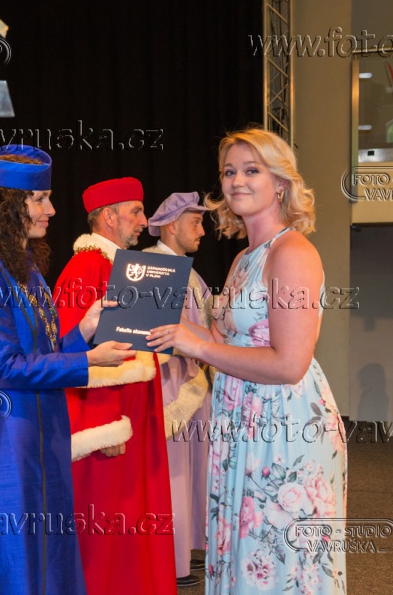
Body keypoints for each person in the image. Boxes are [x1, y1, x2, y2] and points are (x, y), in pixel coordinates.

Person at [150, 128, 347, 593]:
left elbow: (289, 363)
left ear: (280, 183)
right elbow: (222, 340)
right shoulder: (244, 258)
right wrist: (162, 328)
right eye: (229, 171)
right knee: (245, 553)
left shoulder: (292, 252)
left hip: (285, 426)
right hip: (241, 418)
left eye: (251, 170)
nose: (237, 180)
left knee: (278, 561)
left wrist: (198, 346)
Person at [0, 145, 132, 595]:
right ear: (8, 205)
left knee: (50, 558)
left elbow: (45, 352)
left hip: (46, 435)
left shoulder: (25, 266)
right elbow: (5, 368)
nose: (52, 210)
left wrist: (84, 330)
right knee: (20, 562)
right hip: (12, 441)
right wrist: (88, 361)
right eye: (40, 199)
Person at [53, 177, 177, 595]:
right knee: (109, 533)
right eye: (136, 212)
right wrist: (102, 427)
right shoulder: (88, 267)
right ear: (108, 216)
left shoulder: (122, 267)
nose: (145, 221)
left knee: (131, 526)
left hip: (131, 418)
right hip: (109, 430)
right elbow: (72, 354)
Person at [143, 191, 212, 589]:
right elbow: (154, 337)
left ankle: (184, 553)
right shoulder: (155, 268)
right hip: (170, 388)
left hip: (191, 384)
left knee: (189, 473)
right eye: (195, 223)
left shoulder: (188, 272)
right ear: (172, 226)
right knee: (172, 475)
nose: (201, 231)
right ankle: (170, 563)